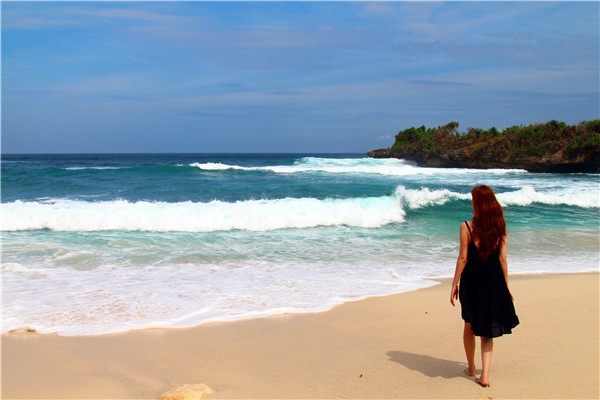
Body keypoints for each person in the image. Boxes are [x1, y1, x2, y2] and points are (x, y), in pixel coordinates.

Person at [450, 185, 519, 388]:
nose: (471, 202)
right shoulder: (500, 228)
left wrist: (454, 283)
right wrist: (505, 286)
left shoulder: (466, 226)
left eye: (473, 199)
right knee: (488, 330)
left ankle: (472, 368)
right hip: (494, 282)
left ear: (478, 204)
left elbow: (463, 258)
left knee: (469, 324)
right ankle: (485, 375)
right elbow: (503, 259)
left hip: (472, 282)